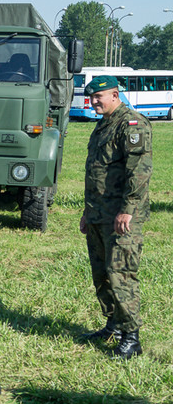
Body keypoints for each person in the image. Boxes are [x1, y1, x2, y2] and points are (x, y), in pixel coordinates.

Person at [79, 75, 152, 360]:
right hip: (98, 213)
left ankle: (131, 337)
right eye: (92, 97)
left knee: (120, 274)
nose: (94, 101)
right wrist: (87, 212)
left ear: (114, 95)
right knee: (102, 274)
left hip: (121, 217)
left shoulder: (132, 124)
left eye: (99, 97)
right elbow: (96, 172)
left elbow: (139, 172)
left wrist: (128, 209)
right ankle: (114, 325)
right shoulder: (102, 126)